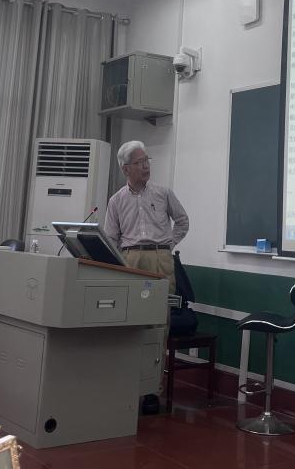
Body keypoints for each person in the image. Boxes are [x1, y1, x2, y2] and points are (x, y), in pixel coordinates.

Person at [103, 140, 189, 413]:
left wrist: (167, 245)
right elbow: (110, 237)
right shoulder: (116, 200)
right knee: (129, 323)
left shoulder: (163, 193)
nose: (145, 166)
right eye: (139, 162)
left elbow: (183, 221)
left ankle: (152, 389)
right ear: (126, 169)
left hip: (159, 260)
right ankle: (127, 384)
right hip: (131, 259)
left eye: (147, 160)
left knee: (157, 325)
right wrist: (121, 262)